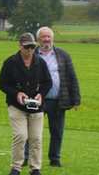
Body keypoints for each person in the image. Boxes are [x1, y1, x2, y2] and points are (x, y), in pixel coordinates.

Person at [0, 32, 52, 175]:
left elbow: (47, 82)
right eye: (27, 47)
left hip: (36, 106)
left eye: (32, 47)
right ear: (20, 46)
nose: (29, 50)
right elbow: (2, 84)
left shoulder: (40, 62)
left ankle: (35, 169)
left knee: (36, 138)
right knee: (20, 136)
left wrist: (41, 94)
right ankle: (16, 167)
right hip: (16, 106)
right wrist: (17, 93)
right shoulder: (10, 62)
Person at [24, 26, 81, 167]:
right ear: (38, 39)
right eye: (43, 37)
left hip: (57, 100)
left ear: (53, 38)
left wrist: (76, 99)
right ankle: (25, 157)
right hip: (36, 100)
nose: (46, 39)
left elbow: (72, 77)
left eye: (48, 36)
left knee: (57, 131)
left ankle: (55, 158)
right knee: (31, 131)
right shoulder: (32, 54)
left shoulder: (63, 55)